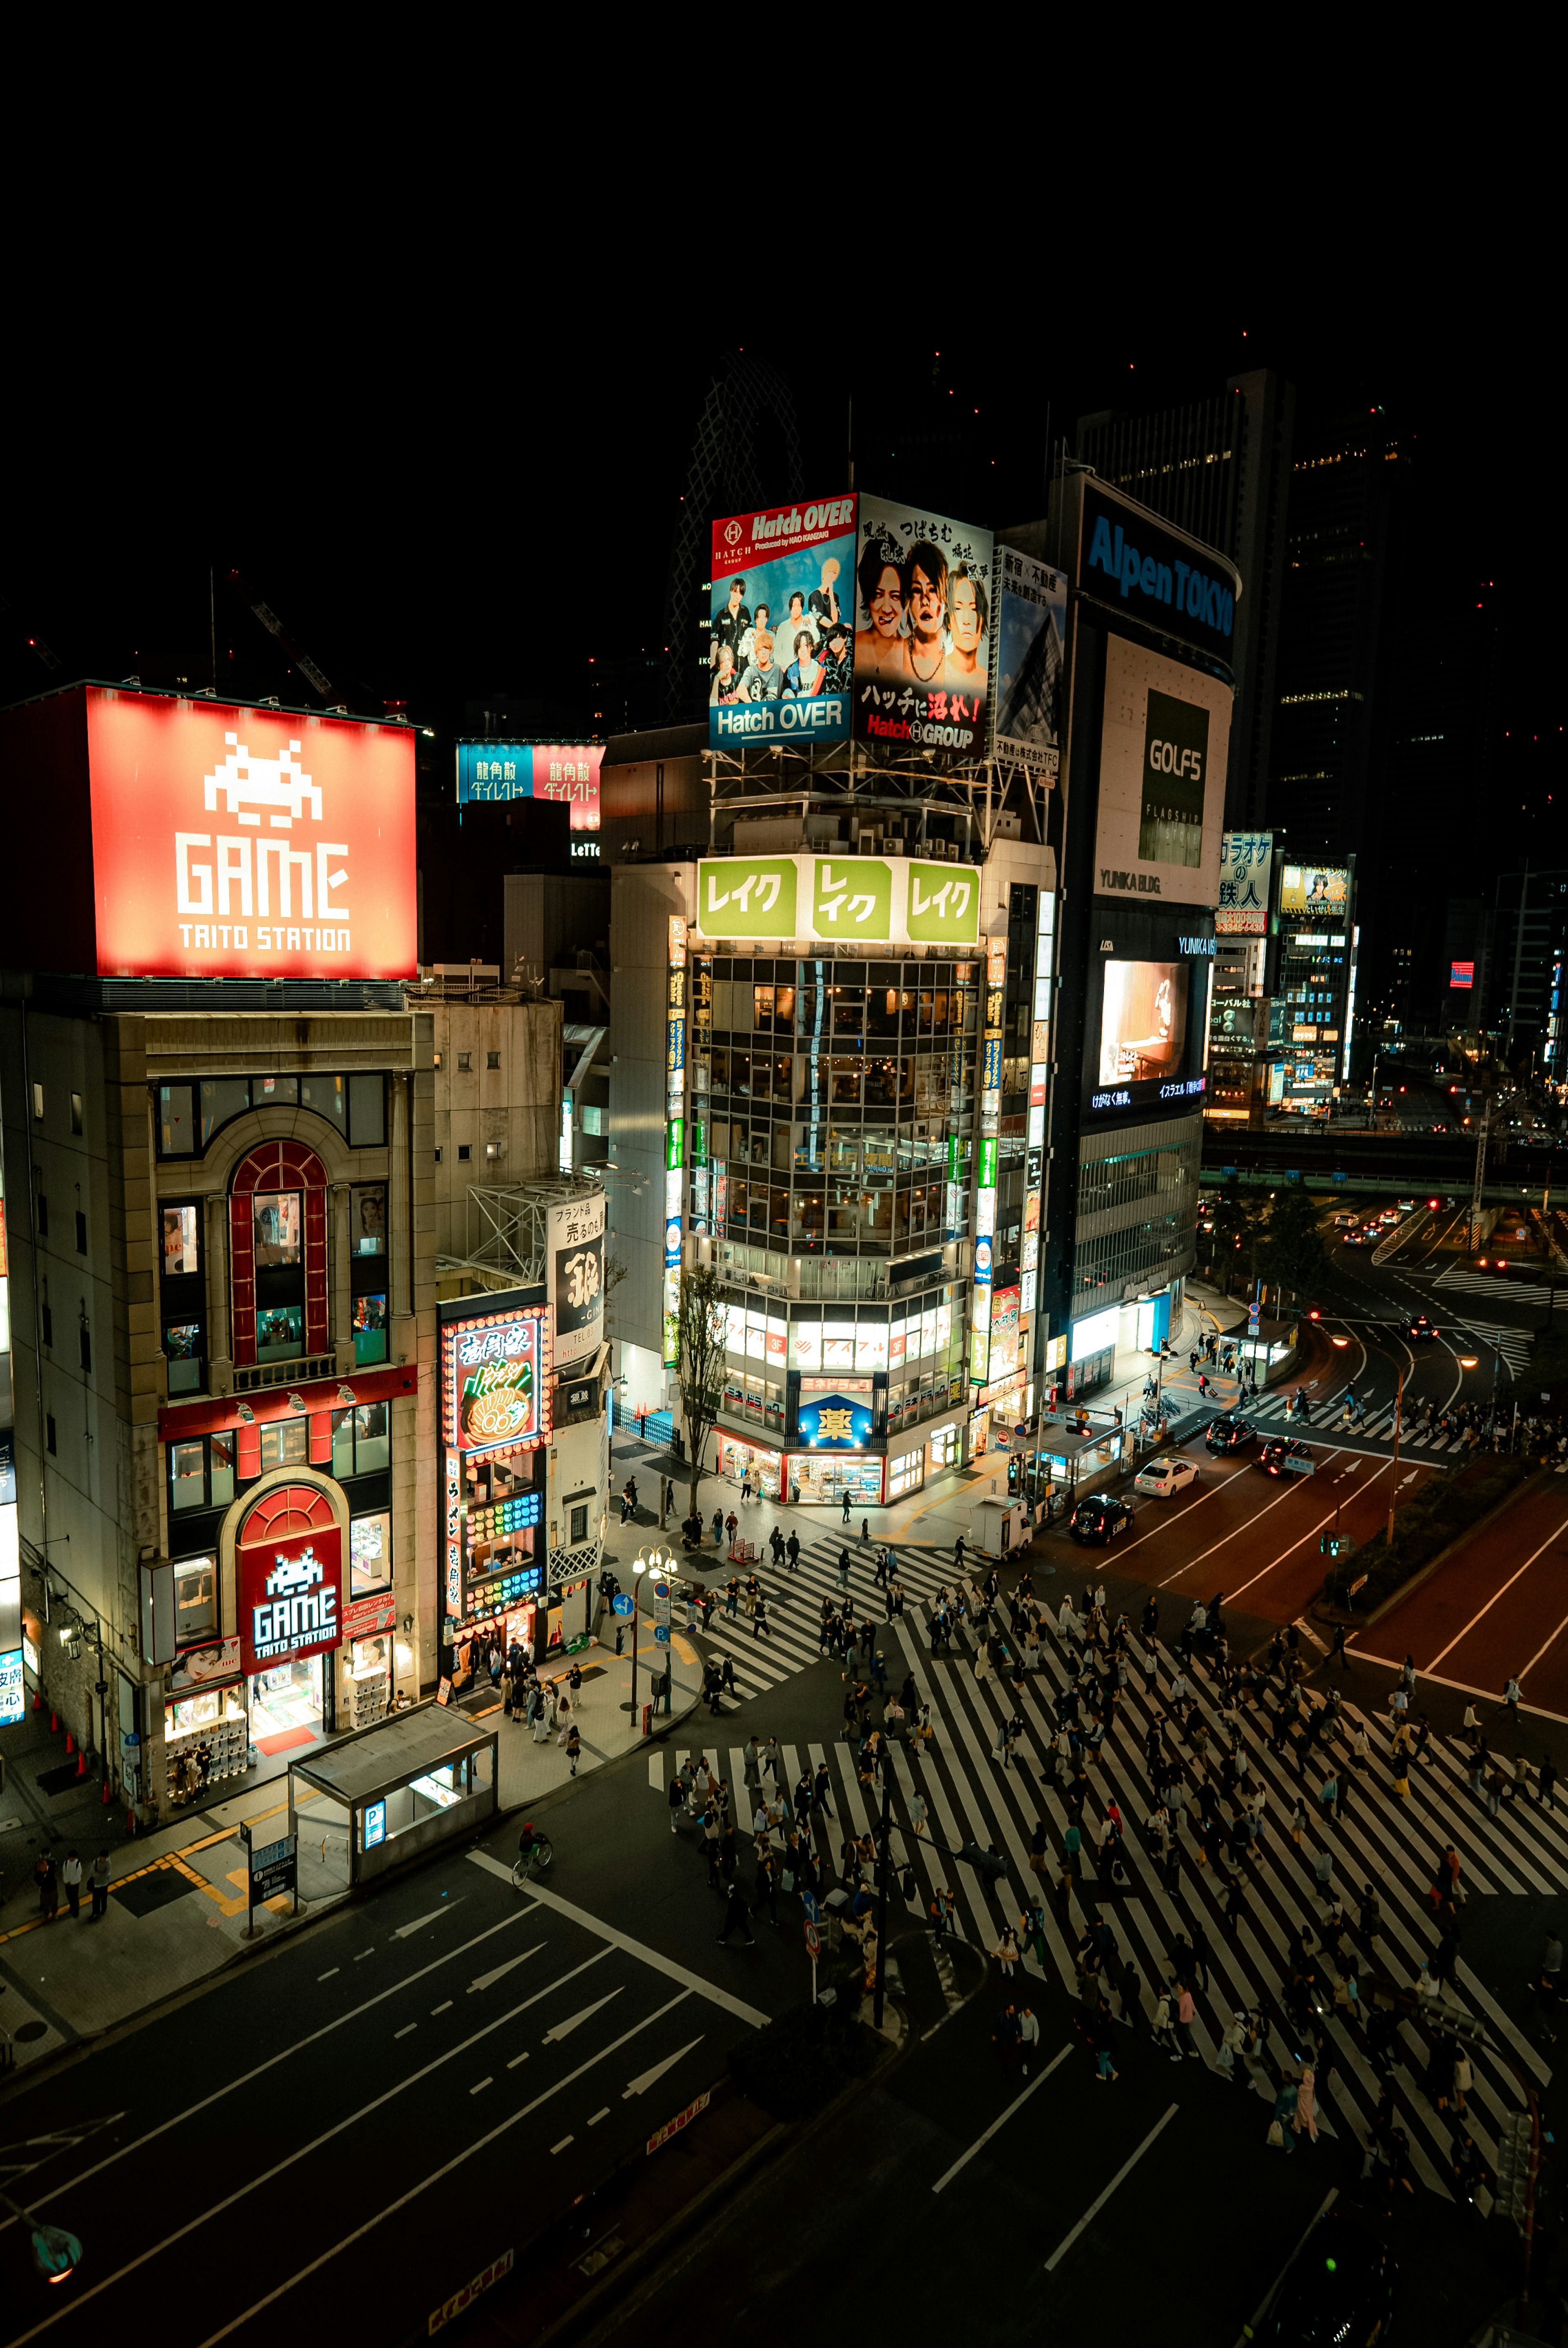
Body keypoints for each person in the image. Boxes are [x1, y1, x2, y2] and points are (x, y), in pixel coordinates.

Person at [854, 536, 905, 679]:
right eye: (878, 595)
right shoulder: (853, 645)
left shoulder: (911, 652)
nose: (887, 608)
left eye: (895, 596)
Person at [61, 1849, 82, 1920]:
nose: (70, 1859)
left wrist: (72, 1882)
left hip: (75, 1884)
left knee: (75, 1896)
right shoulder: (66, 1862)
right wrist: (67, 1881)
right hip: (68, 1883)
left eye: (71, 1857)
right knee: (69, 1895)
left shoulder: (78, 1864)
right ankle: (72, 1906)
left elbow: (78, 1874)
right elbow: (64, 1872)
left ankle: (76, 1909)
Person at [89, 1849, 111, 1920]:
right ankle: (96, 1912)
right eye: (101, 1857)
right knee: (96, 1899)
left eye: (103, 1857)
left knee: (104, 1897)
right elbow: (92, 1873)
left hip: (104, 1883)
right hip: (97, 1884)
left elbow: (107, 1873)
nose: (102, 1859)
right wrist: (100, 1875)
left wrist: (98, 1874)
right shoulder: (96, 1863)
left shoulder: (108, 1863)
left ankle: (103, 1909)